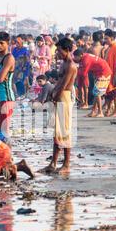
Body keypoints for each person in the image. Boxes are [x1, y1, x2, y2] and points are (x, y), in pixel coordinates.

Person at [42, 38, 77, 175]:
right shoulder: (63, 64)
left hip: (65, 97)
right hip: (59, 95)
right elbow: (59, 81)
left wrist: (55, 96)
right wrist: (52, 93)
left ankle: (66, 164)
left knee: (65, 131)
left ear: (67, 50)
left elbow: (64, 84)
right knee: (57, 131)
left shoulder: (71, 65)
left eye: (59, 50)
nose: (57, 53)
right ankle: (53, 163)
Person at [73, 49, 112, 118]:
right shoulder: (84, 57)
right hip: (99, 73)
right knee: (95, 92)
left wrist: (77, 82)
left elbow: (83, 74)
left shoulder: (86, 59)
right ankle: (93, 111)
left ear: (80, 55)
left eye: (76, 57)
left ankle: (100, 112)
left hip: (104, 73)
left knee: (96, 92)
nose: (75, 58)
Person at [102, 29, 116, 117]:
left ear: (112, 38)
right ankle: (109, 109)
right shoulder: (109, 47)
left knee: (114, 92)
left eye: (106, 38)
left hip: (113, 74)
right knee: (109, 93)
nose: (105, 41)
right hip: (108, 74)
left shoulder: (115, 47)